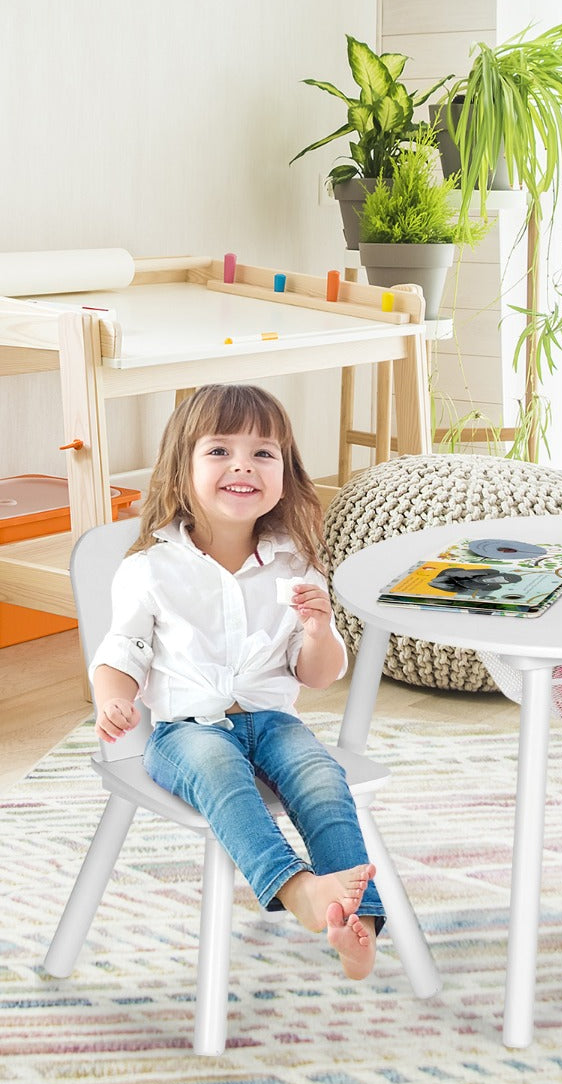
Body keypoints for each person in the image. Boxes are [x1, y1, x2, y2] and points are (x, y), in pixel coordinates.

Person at [89, 383, 382, 980]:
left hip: (273, 721)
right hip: (185, 732)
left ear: (284, 473)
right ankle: (297, 890)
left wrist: (320, 630)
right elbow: (122, 649)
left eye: (263, 453)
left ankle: (357, 923)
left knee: (323, 779)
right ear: (182, 470)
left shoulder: (296, 564)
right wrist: (115, 700)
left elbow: (317, 676)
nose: (243, 465)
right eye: (220, 451)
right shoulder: (149, 569)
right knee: (223, 777)